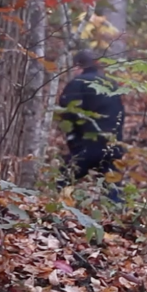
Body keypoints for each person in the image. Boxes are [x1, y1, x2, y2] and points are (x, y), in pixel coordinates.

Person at [57, 49, 125, 202]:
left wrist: (74, 140)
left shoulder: (78, 83)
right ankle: (119, 218)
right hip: (112, 145)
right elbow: (120, 114)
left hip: (87, 145)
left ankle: (57, 211)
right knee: (113, 190)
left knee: (62, 181)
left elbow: (67, 112)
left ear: (77, 66)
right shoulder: (111, 84)